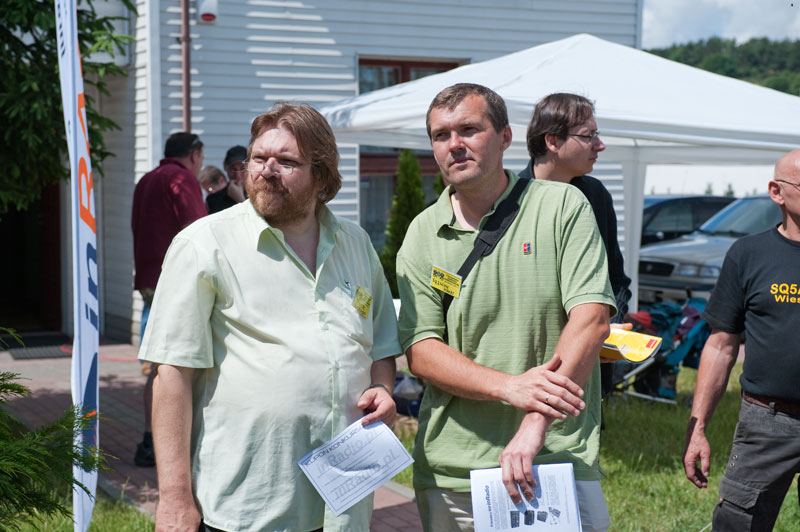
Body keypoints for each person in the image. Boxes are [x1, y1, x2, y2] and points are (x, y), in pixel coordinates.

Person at [139, 103, 400, 531]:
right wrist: (174, 497)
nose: (267, 170)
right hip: (250, 505)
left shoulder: (355, 243)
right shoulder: (204, 244)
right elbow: (172, 377)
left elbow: (383, 346)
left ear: (322, 176)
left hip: (346, 502)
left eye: (286, 161)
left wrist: (383, 389)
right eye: (258, 158)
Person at [397, 83, 617, 532]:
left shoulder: (562, 206)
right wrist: (509, 387)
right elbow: (421, 350)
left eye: (469, 129)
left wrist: (535, 420)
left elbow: (592, 320)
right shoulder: (422, 233)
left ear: (505, 137)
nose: (454, 145)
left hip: (555, 460)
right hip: (452, 469)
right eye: (441, 135)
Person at [682, 149, 800, 531]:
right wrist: (698, 428)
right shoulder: (748, 255)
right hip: (767, 420)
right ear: (776, 192)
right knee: (737, 524)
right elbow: (721, 346)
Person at [521, 93, 632, 397]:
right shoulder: (509, 202)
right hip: (526, 370)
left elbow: (615, 280)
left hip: (587, 374)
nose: (600, 144)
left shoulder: (596, 195)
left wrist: (608, 325)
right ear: (552, 141)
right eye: (588, 135)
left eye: (597, 134)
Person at [131, 131, 206, 467]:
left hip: (149, 279)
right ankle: (168, 444)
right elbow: (201, 231)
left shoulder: (146, 180)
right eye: (201, 159)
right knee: (178, 365)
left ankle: (150, 440)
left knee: (160, 362)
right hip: (175, 282)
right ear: (194, 155)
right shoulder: (182, 179)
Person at [205, 146, 247, 213]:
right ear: (225, 166)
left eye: (242, 169)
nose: (238, 175)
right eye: (233, 169)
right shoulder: (213, 200)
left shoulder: (258, 196)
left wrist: (240, 200)